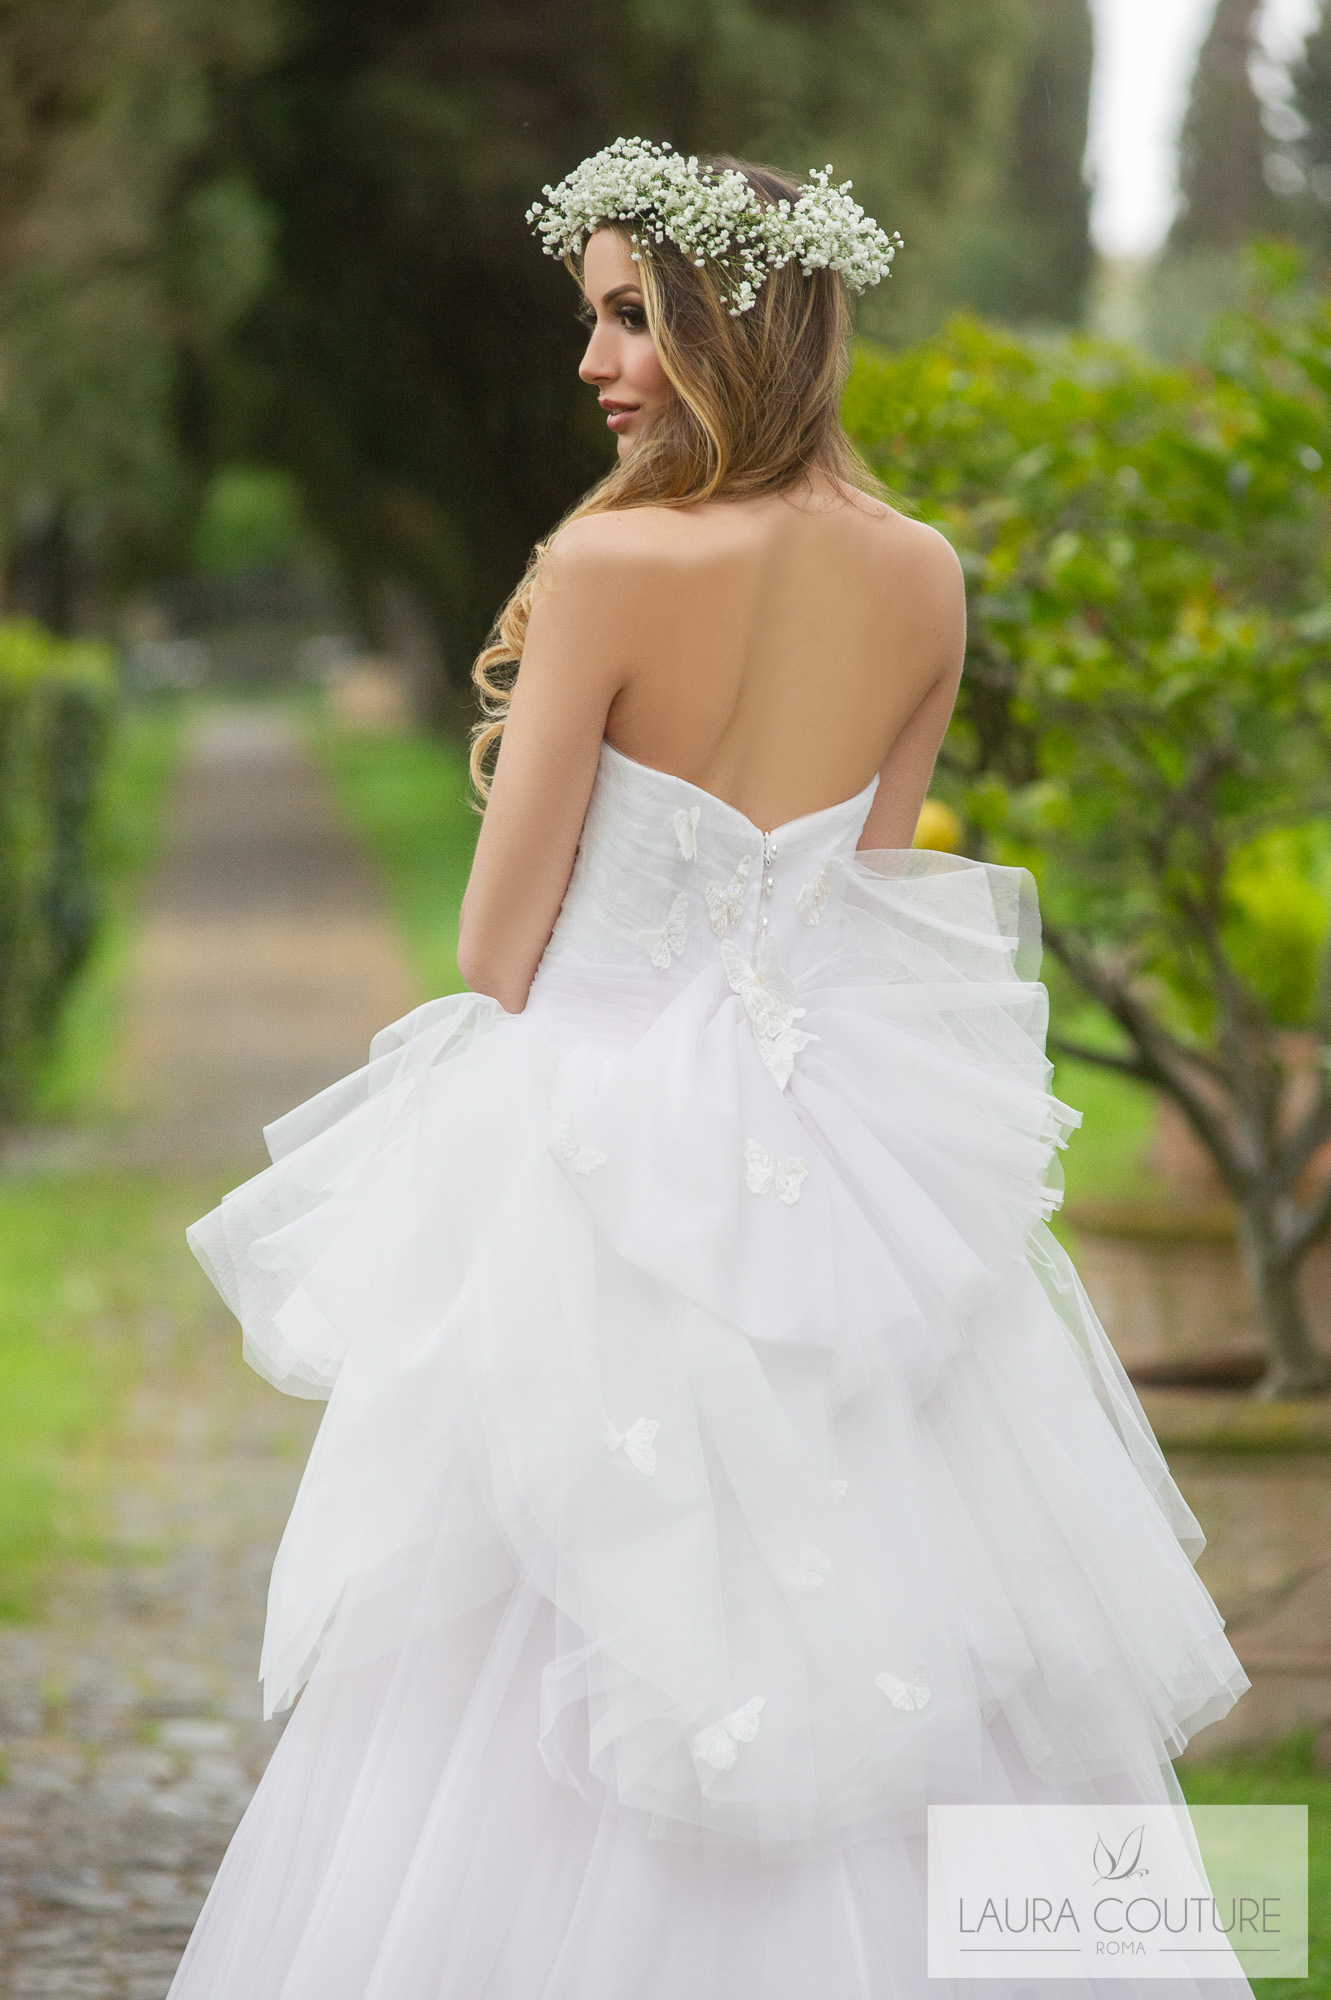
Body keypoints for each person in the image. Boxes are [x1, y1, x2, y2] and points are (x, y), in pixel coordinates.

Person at [168, 140, 1251, 1999]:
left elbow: (496, 952)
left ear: (730, 321)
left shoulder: (608, 560)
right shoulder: (925, 576)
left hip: (596, 1149)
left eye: (627, 316)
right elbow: (859, 904)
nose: (593, 361)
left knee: (542, 1621)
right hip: (841, 1158)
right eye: (592, 318)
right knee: (918, 1590)